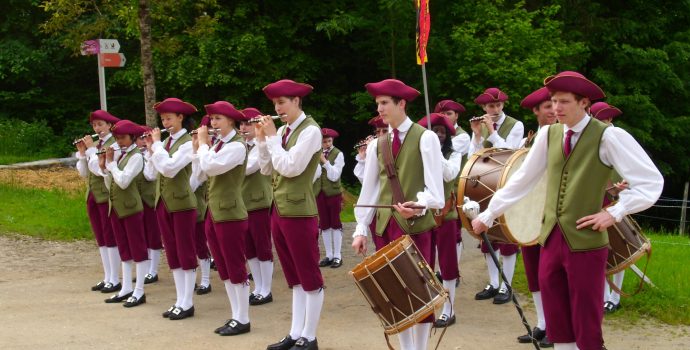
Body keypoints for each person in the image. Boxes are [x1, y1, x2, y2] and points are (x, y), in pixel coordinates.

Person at [471, 71, 663, 350]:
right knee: (558, 324)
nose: (556, 108)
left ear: (584, 103)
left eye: (564, 102)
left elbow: (650, 182)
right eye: (553, 101)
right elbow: (523, 180)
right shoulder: (549, 134)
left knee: (587, 324)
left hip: (585, 244)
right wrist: (489, 214)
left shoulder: (609, 136)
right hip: (550, 239)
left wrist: (614, 212)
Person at [352, 79, 445, 350]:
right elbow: (368, 192)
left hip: (416, 227)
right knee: (395, 296)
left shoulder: (425, 138)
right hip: (385, 229)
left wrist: (417, 204)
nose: (379, 109)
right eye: (378, 104)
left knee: (421, 293)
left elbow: (436, 193)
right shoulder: (376, 145)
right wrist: (360, 229)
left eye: (384, 103)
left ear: (401, 103)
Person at [255, 79, 324, 350]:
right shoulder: (283, 131)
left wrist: (271, 138)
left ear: (297, 101)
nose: (277, 108)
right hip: (280, 209)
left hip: (299, 211)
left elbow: (291, 168)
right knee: (293, 276)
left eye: (282, 102)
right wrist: (262, 142)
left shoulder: (311, 131)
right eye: (274, 103)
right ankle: (296, 333)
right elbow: (266, 169)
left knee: (308, 274)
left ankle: (310, 335)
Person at [194, 101, 251, 336]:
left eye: (217, 119)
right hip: (214, 211)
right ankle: (235, 315)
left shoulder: (237, 146)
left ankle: (244, 318)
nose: (212, 124)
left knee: (235, 265)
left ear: (230, 120)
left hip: (230, 213)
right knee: (225, 268)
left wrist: (202, 146)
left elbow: (210, 166)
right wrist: (197, 148)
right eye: (211, 119)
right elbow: (200, 172)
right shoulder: (218, 145)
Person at [144, 97, 198, 320]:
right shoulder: (164, 144)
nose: (165, 123)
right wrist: (150, 151)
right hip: (163, 202)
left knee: (185, 251)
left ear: (181, 118)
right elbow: (150, 174)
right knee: (173, 252)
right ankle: (179, 299)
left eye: (169, 118)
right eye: (163, 119)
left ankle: (188, 302)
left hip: (182, 203)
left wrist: (156, 146)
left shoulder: (187, 142)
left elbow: (170, 168)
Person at [469, 87, 524, 304]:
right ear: (483, 107)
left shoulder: (516, 125)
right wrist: (477, 134)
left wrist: (492, 130)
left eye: (499, 105)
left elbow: (509, 153)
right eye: (491, 106)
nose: (495, 109)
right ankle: (493, 283)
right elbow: (473, 156)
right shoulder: (481, 124)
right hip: (484, 184)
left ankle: (506, 285)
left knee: (506, 236)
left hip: (507, 183)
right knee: (488, 235)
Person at [515, 86, 557, 347]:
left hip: (553, 216)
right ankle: (542, 324)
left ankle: (556, 326)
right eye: (547, 107)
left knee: (552, 274)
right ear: (536, 112)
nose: (553, 110)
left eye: (555, 104)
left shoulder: (562, 137)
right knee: (534, 273)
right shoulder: (526, 143)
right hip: (530, 216)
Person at [417, 113, 462, 328]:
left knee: (447, 264)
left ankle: (449, 308)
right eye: (434, 131)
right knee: (424, 262)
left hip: (446, 214)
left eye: (442, 132)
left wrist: (435, 152)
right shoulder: (419, 153)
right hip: (424, 215)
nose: (438, 135)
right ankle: (428, 308)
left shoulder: (454, 154)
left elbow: (449, 175)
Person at [101, 120, 150, 307]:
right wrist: (104, 167)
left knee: (137, 247)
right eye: (117, 138)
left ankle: (139, 291)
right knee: (124, 248)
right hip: (117, 207)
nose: (119, 142)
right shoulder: (121, 156)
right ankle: (126, 287)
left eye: (122, 138)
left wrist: (112, 165)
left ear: (133, 138)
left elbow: (123, 181)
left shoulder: (137, 156)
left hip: (131, 207)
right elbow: (111, 184)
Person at [75, 110, 122, 294]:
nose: (97, 129)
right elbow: (84, 172)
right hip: (93, 194)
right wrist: (81, 153)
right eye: (94, 125)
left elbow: (99, 170)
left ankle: (115, 278)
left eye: (100, 125)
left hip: (106, 195)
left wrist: (91, 151)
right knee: (100, 237)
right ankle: (107, 276)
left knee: (109, 235)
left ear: (109, 126)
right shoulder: (95, 145)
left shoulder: (113, 145)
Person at [591, 101, 627, 314]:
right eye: (597, 119)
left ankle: (616, 297)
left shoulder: (620, 137)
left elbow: (631, 167)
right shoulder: (594, 138)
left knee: (619, 247)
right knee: (601, 247)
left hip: (621, 199)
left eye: (603, 119)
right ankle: (604, 296)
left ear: (609, 119)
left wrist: (624, 185)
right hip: (600, 196)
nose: (601, 123)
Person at [240, 107, 275, 306]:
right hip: (243, 203)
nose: (244, 128)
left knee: (262, 246)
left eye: (248, 124)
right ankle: (258, 287)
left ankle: (267, 289)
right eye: (242, 124)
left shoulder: (261, 146)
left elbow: (247, 169)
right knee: (249, 248)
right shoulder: (240, 146)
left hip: (259, 201)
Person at [433, 99, 470, 271]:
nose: (444, 117)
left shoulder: (462, 136)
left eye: (448, 114)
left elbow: (444, 148)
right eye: (441, 114)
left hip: (454, 189)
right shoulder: (433, 135)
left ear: (456, 116)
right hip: (435, 190)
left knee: (453, 232)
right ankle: (440, 270)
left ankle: (452, 270)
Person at [315, 128, 345, 269]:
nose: (327, 144)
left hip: (333, 193)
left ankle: (338, 256)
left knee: (335, 223)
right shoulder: (315, 154)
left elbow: (334, 176)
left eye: (329, 141)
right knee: (324, 224)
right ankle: (329, 255)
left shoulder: (338, 154)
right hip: (319, 193)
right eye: (324, 141)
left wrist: (324, 161)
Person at [136, 126, 162, 284]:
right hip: (137, 200)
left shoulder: (155, 153)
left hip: (151, 198)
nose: (143, 141)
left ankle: (153, 270)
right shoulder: (133, 154)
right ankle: (145, 269)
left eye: (146, 138)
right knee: (142, 235)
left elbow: (150, 176)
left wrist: (150, 152)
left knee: (153, 234)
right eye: (140, 138)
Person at [190, 115, 213, 296]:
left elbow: (194, 181)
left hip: (198, 206)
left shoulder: (211, 153)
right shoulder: (197, 151)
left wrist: (199, 150)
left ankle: (205, 280)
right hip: (184, 205)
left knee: (200, 245)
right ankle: (191, 279)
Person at [353, 115, 388, 183]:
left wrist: (372, 150)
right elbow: (365, 180)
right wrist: (363, 157)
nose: (380, 135)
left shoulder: (397, 147)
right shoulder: (376, 148)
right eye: (378, 132)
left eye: (385, 131)